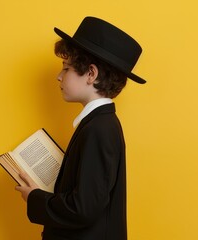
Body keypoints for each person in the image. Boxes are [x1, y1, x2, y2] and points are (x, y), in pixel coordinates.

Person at [15, 16, 146, 240]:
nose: (59, 76)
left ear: (91, 74)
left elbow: (83, 208)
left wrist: (34, 198)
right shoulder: (99, 123)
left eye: (66, 68)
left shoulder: (99, 128)